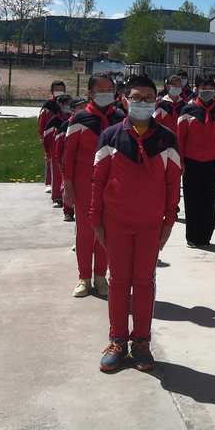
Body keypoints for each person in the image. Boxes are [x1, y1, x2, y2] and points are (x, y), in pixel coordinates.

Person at [90, 75, 180, 373]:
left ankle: (141, 341)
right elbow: (98, 180)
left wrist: (169, 219)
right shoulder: (111, 137)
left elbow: (173, 183)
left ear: (156, 101)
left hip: (150, 225)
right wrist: (95, 219)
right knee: (118, 282)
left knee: (144, 282)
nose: (142, 103)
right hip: (116, 224)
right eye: (136, 98)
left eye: (148, 98)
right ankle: (117, 341)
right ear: (124, 100)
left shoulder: (167, 139)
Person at [62, 76, 124, 298]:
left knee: (106, 231)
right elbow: (68, 155)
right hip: (84, 183)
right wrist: (67, 183)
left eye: (110, 89)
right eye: (101, 89)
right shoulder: (79, 119)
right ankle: (84, 277)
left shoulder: (120, 118)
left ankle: (101, 276)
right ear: (90, 92)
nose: (106, 92)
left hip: (111, 185)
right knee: (86, 231)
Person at [177, 76, 215, 247]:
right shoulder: (187, 111)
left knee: (209, 200)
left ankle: (205, 237)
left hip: (213, 163)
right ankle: (192, 236)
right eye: (203, 87)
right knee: (192, 200)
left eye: (210, 87)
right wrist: (181, 161)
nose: (207, 90)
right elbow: (180, 139)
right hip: (191, 163)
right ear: (197, 88)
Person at [38, 80, 68, 193]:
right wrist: (42, 135)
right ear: (52, 91)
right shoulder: (48, 105)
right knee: (50, 158)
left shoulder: (66, 104)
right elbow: (42, 122)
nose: (59, 92)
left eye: (61, 89)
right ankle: (49, 183)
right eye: (57, 89)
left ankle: (60, 183)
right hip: (50, 135)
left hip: (62, 136)